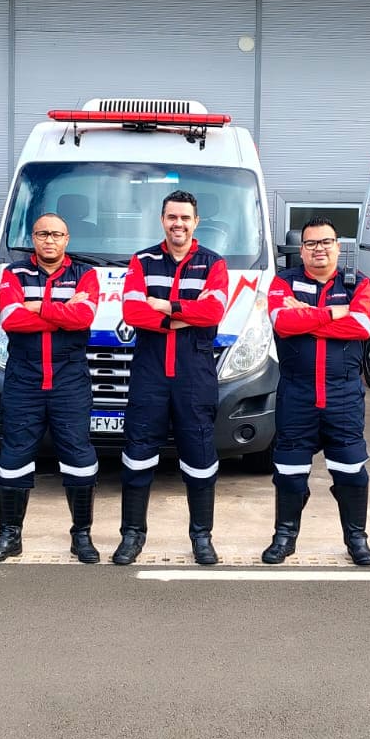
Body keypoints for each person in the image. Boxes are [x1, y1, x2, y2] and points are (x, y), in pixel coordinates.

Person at [114, 190, 230, 566]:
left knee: (200, 458)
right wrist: (181, 318)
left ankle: (202, 537)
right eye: (171, 217)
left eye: (184, 218)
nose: (178, 224)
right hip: (149, 375)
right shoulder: (142, 261)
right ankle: (132, 535)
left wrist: (165, 306)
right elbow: (133, 312)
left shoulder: (213, 263)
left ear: (196, 222)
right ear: (162, 220)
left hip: (194, 376)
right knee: (137, 457)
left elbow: (213, 312)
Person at [0, 213, 103, 565]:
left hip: (69, 379)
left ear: (67, 239)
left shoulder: (85, 274)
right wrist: (63, 310)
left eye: (56, 234)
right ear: (33, 238)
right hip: (25, 379)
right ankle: (9, 537)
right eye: (42, 234)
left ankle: (81, 536)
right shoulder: (13, 273)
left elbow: (84, 317)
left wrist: (37, 307)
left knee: (78, 457)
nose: (49, 240)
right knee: (14, 457)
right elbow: (11, 319)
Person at [262, 218, 370, 566]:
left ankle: (356, 539)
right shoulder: (283, 282)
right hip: (297, 396)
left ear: (338, 247)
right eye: (311, 243)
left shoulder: (357, 284)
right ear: (301, 250)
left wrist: (308, 317)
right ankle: (284, 537)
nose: (319, 249)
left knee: (351, 471)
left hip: (343, 397)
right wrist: (332, 313)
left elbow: (362, 325)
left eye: (326, 242)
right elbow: (283, 322)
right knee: (289, 471)